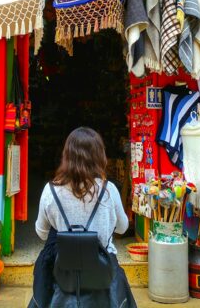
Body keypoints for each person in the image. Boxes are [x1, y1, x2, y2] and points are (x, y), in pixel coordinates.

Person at [29, 127, 136, 308]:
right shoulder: (108, 190)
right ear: (99, 156)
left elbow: (41, 233)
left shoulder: (51, 191)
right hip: (103, 271)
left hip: (63, 273)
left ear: (67, 156)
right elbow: (122, 228)